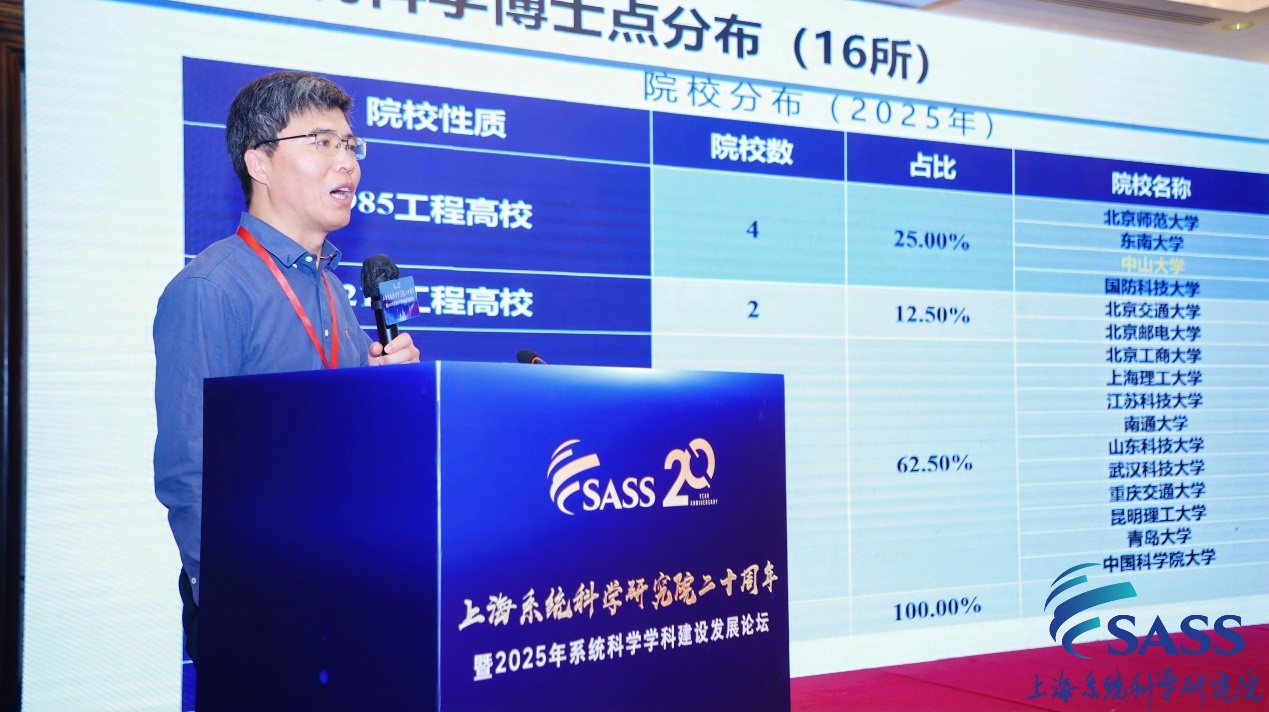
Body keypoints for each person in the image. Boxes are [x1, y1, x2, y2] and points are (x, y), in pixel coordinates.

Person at [152, 71, 419, 666]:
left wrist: (384, 391)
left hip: (345, 580)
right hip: (261, 601)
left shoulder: (331, 287)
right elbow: (188, 469)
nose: (347, 162)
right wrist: (240, 601)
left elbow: (338, 442)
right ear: (260, 163)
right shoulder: (212, 289)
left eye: (350, 144)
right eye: (322, 142)